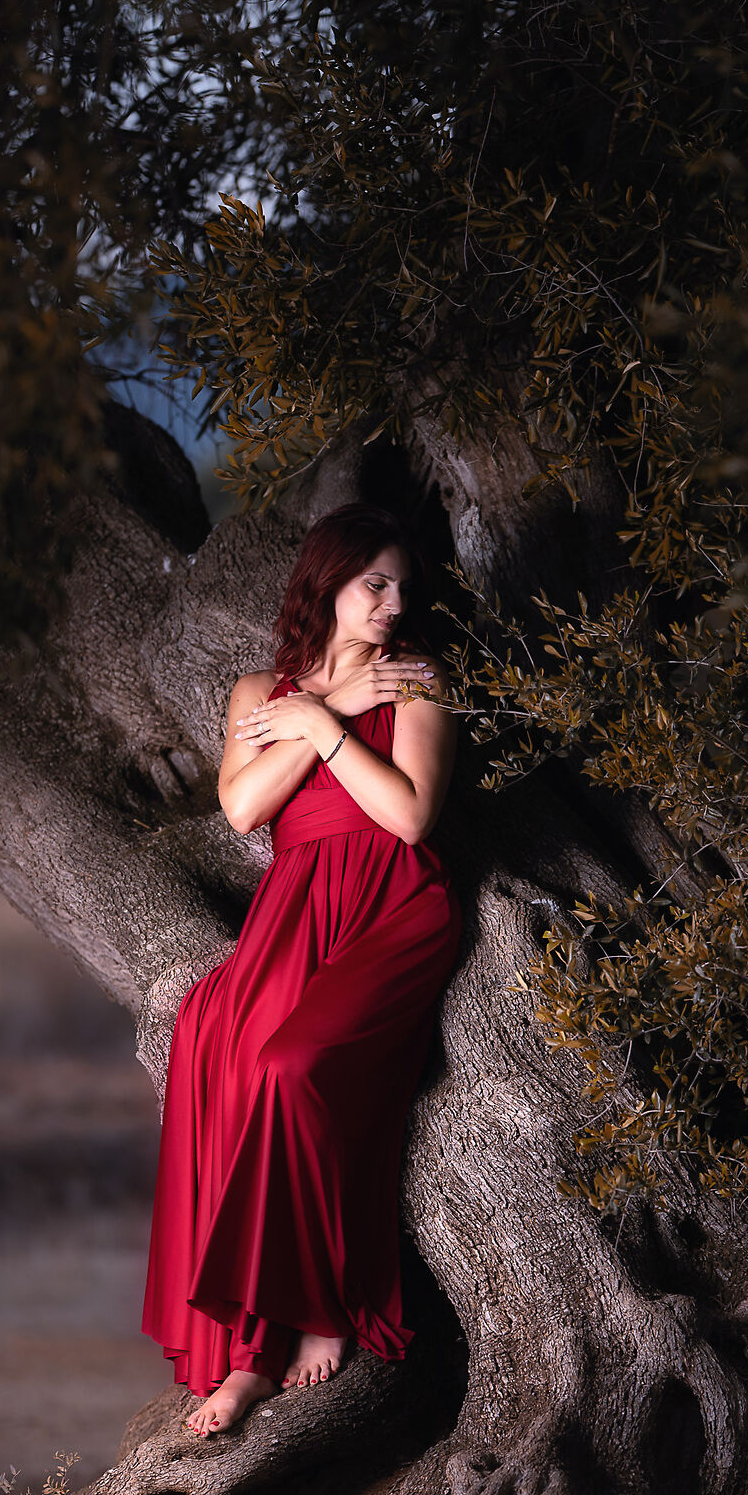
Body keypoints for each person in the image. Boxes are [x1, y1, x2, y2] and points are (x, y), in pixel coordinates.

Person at [142, 502, 462, 1437]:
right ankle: (251, 1353)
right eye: (375, 584)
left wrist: (326, 730)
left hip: (395, 904)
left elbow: (407, 817)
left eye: (404, 587)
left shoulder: (419, 683)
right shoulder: (257, 693)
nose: (394, 604)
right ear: (327, 584)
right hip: (295, 910)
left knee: (295, 1068)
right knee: (220, 1048)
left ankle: (323, 1306)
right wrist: (320, 708)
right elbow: (242, 808)